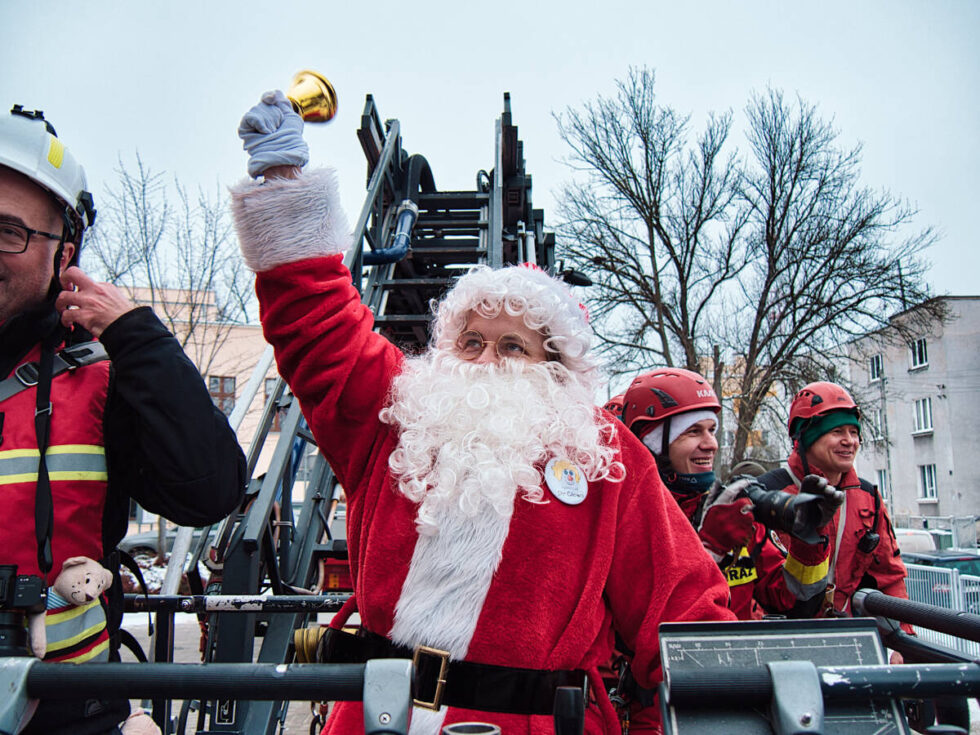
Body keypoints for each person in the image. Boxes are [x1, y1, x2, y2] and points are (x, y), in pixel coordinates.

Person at [230, 90, 734, 735]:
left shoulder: (605, 454)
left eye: (513, 345)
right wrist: (283, 183)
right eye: (471, 341)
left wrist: (707, 707)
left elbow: (680, 606)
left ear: (553, 366)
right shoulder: (400, 417)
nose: (489, 359)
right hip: (380, 717)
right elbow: (317, 328)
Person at [0, 105, 247, 734]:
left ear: (66, 253)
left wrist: (139, 338)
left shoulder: (100, 375)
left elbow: (209, 489)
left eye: (9, 231)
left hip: (65, 709)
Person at [621, 368, 842, 620]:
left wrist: (808, 541)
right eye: (693, 431)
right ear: (650, 443)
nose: (711, 444)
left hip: (738, 656)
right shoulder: (627, 519)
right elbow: (643, 621)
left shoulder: (730, 512)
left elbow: (791, 601)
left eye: (711, 430)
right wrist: (711, 548)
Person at [755, 382, 912, 642]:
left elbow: (890, 577)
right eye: (837, 431)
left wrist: (902, 641)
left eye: (853, 431)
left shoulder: (867, 497)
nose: (849, 441)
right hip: (781, 640)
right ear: (804, 438)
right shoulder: (767, 494)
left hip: (845, 638)